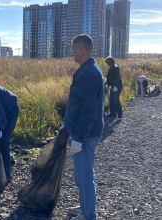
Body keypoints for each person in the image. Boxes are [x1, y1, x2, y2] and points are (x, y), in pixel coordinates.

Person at [64, 34, 104, 220]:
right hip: (85, 134)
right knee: (81, 177)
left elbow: (89, 110)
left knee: (85, 178)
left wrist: (79, 137)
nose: (71, 53)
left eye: (73, 49)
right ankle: (85, 206)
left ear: (81, 49)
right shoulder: (88, 69)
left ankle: (89, 216)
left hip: (85, 136)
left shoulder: (88, 73)